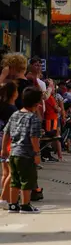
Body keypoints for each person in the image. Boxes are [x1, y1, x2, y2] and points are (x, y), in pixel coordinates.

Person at [1, 87, 44, 213]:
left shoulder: (15, 114)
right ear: (37, 104)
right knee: (27, 181)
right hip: (26, 154)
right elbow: (34, 138)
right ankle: (25, 205)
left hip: (13, 153)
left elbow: (6, 133)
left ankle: (13, 205)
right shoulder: (33, 118)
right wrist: (37, 154)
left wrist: (4, 149)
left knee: (15, 181)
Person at [0, 81, 19, 209]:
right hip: (9, 142)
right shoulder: (12, 109)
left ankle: (4, 196)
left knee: (5, 173)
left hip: (2, 141)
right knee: (13, 172)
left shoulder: (2, 106)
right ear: (14, 93)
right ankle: (4, 198)